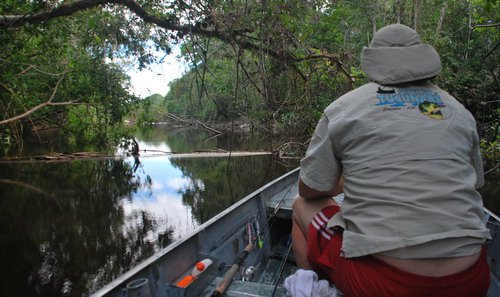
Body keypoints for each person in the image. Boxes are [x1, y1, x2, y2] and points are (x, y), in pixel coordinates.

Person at [292, 24, 491, 297]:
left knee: (301, 205)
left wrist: (345, 181)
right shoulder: (458, 110)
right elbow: (474, 182)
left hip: (383, 284)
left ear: (375, 60)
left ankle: (309, 287)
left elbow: (308, 189)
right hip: (471, 279)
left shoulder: (344, 108)